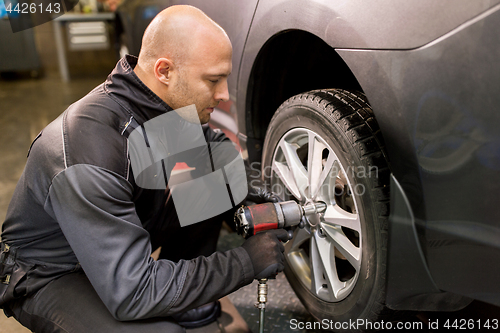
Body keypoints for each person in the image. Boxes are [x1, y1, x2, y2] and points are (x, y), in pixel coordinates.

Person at [0, 5, 289, 332]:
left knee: (215, 167)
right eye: (213, 80)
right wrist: (245, 262)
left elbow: (211, 149)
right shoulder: (90, 148)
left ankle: (183, 300)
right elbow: (132, 293)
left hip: (112, 242)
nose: (224, 94)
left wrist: (244, 193)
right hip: (51, 273)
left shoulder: (160, 107)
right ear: (165, 71)